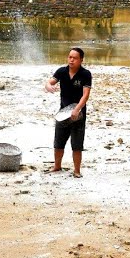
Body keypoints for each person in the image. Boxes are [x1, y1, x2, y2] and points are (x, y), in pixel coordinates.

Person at [44, 46, 92, 177]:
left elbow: (86, 95)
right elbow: (50, 82)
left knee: (77, 144)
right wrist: (49, 86)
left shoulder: (85, 74)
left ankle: (76, 170)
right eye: (70, 57)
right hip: (63, 112)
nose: (71, 60)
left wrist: (77, 109)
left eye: (75, 58)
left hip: (78, 114)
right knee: (58, 142)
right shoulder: (61, 71)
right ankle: (57, 166)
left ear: (81, 60)